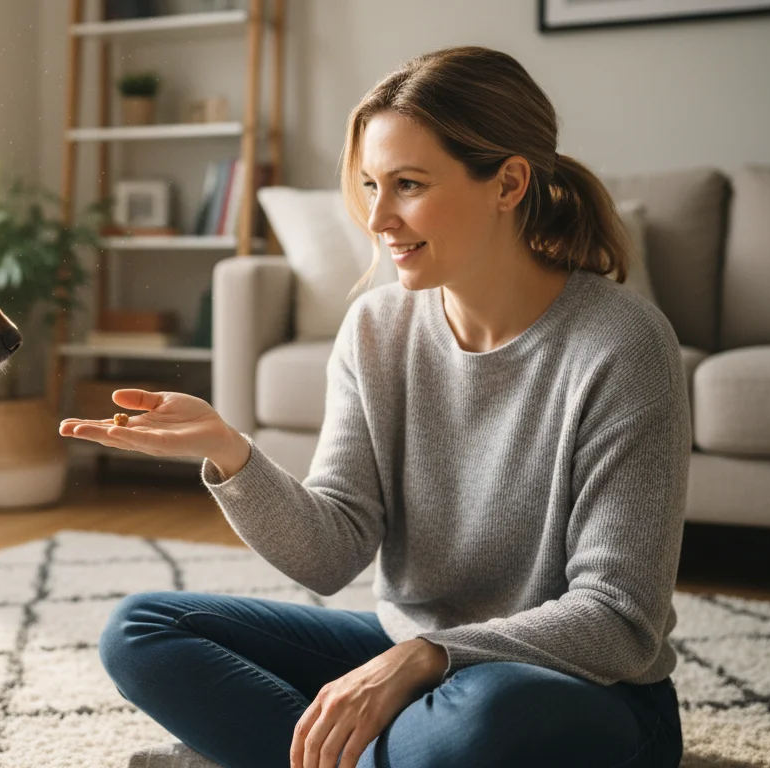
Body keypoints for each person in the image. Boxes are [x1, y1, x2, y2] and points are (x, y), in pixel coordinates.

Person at [60, 45, 688, 768]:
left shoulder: (621, 343)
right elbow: (331, 553)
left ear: (509, 182)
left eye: (409, 185)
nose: (379, 217)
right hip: (417, 668)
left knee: (487, 719)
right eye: (369, 185)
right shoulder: (375, 328)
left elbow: (618, 620)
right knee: (142, 630)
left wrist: (428, 657)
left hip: (577, 691)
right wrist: (230, 454)